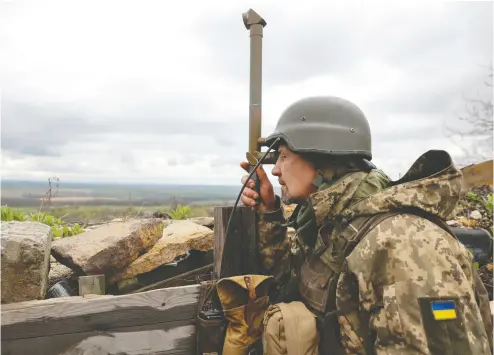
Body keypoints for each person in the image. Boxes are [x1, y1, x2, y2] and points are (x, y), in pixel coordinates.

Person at [239, 96, 493, 355]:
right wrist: (269, 211)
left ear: (320, 159)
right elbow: (291, 283)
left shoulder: (402, 243)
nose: (276, 170)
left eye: (283, 156)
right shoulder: (337, 227)